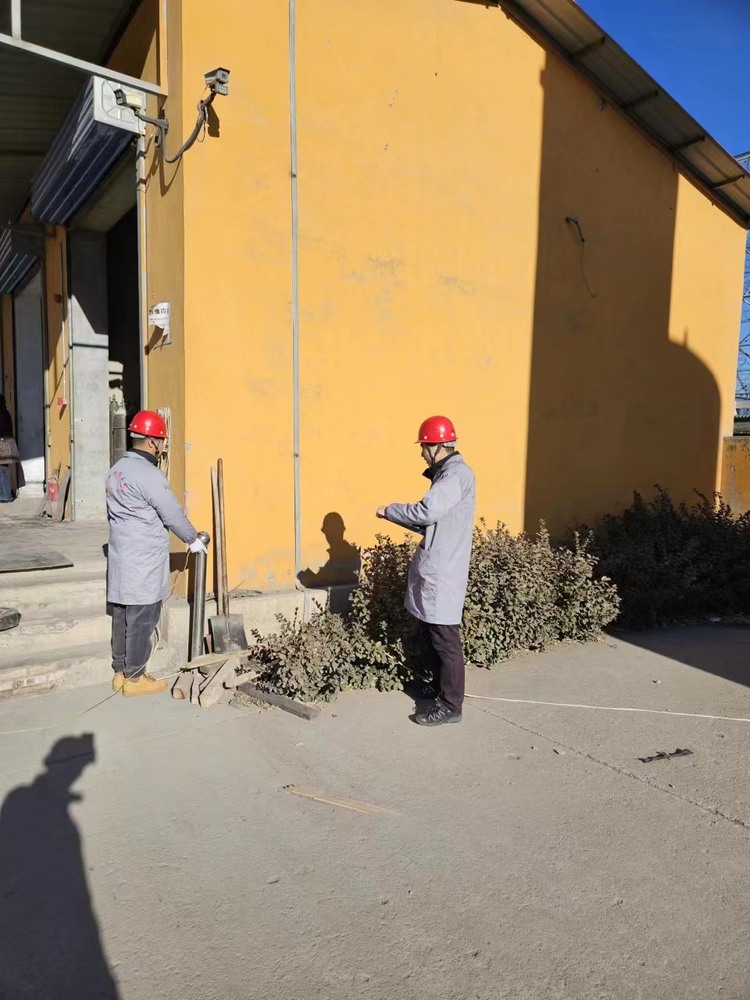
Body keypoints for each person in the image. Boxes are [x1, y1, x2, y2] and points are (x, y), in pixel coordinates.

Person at [377, 415, 476, 726]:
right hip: (439, 566)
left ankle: (451, 705)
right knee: (433, 632)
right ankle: (436, 688)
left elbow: (427, 510)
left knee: (445, 636)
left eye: (424, 447)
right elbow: (427, 521)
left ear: (437, 447)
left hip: (444, 571)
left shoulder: (454, 476)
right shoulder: (449, 474)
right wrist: (398, 518)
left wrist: (389, 509)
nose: (421, 453)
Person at [106, 410, 206, 697]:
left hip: (121, 553)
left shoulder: (116, 470)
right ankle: (135, 678)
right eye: (161, 441)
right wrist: (192, 538)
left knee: (122, 613)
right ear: (150, 441)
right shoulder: (149, 475)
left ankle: (120, 672)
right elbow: (171, 512)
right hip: (143, 556)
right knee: (143, 616)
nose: (163, 446)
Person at [0, 395, 19, 503]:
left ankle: (5, 495)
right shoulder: (4, 412)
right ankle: (4, 494)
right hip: (5, 444)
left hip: (3, 445)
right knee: (3, 471)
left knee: (3, 471)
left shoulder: (2, 414)